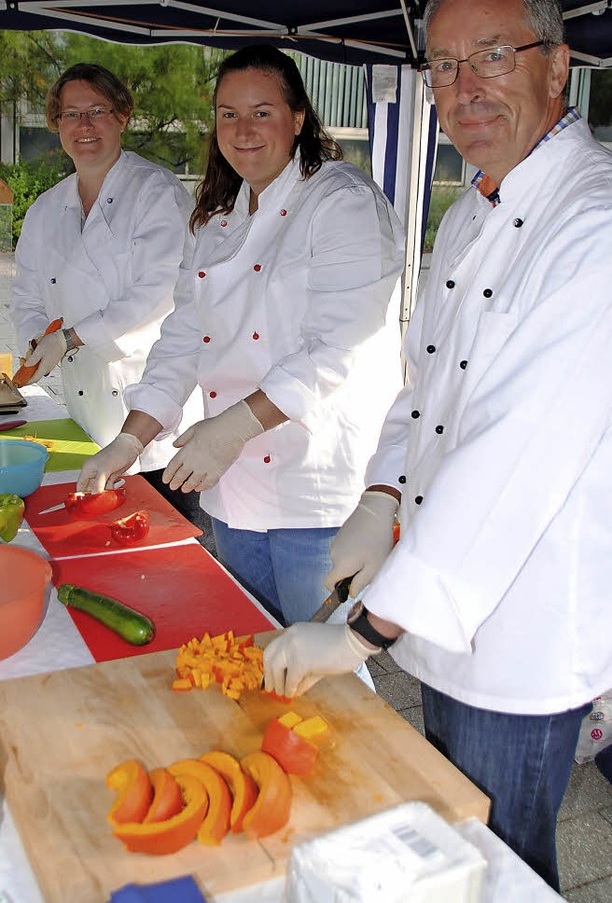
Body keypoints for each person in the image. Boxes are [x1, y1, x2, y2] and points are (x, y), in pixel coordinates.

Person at [263, 0, 612, 891]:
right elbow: (422, 391)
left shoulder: (602, 226)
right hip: (437, 596)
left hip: (523, 623)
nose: (463, 87)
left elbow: (518, 453)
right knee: (449, 826)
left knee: (497, 854)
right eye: (441, 66)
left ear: (559, 68)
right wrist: (380, 498)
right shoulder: (472, 207)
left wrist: (360, 635)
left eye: (491, 56)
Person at [77, 45, 404, 625]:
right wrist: (131, 440)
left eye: (261, 112)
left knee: (324, 671)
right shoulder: (219, 217)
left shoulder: (343, 201)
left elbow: (338, 348)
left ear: (298, 118)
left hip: (316, 486)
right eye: (228, 114)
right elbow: (182, 337)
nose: (243, 130)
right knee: (249, 646)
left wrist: (231, 429)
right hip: (232, 487)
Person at [10, 62, 213, 546]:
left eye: (97, 111)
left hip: (161, 419)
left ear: (122, 116)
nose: (84, 126)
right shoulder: (46, 209)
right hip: (90, 412)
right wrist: (38, 343)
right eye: (70, 114)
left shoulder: (156, 192)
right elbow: (27, 295)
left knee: (178, 556)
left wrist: (72, 338)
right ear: (55, 123)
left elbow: (161, 294)